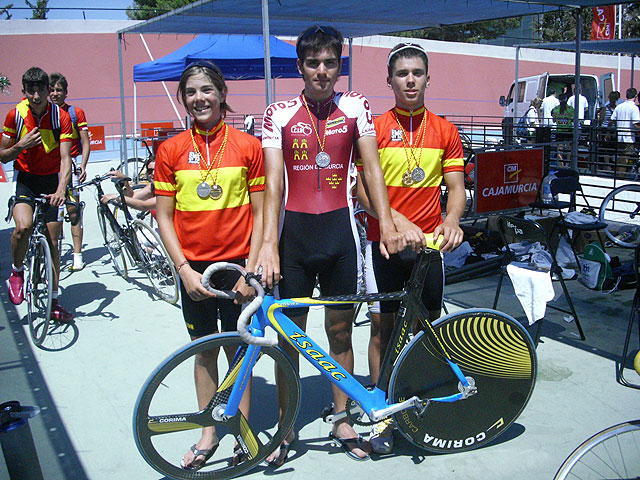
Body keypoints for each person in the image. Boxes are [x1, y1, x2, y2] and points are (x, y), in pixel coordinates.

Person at [258, 25, 403, 464]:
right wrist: (268, 244)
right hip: (295, 239)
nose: (322, 71)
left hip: (341, 236)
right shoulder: (278, 112)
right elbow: (273, 183)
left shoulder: (356, 106)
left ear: (340, 65)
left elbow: (372, 171)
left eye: (330, 63)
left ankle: (341, 417)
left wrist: (388, 222)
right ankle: (286, 427)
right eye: (313, 63)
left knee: (340, 331)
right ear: (300, 66)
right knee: (290, 339)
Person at [154, 61, 265, 470]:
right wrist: (182, 269)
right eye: (191, 92)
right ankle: (208, 433)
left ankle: (243, 431)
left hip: (238, 266)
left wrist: (251, 272)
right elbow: (164, 216)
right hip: (193, 269)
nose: (199, 98)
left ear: (221, 94)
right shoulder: (169, 149)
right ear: (183, 98)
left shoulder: (247, 146)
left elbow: (260, 212)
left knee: (241, 351)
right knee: (204, 352)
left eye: (206, 90)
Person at [357, 42, 465, 455]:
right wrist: (395, 223)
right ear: (389, 80)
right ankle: (382, 413)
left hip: (429, 251)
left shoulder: (445, 129)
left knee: (426, 330)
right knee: (382, 328)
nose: (410, 80)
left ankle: (418, 406)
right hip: (384, 245)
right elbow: (361, 191)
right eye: (402, 73)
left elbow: (456, 190)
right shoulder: (376, 128)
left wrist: (451, 220)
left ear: (427, 78)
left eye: (417, 72)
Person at [0, 67, 74, 322]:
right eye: (30, 91)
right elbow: (2, 154)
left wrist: (61, 189)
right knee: (24, 227)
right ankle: (17, 271)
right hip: (26, 180)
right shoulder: (15, 115)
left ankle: (54, 301)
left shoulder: (61, 117)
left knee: (54, 243)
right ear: (24, 92)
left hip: (52, 181)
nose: (36, 96)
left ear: (47, 91)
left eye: (40, 90)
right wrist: (20, 146)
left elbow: (65, 158)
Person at [49, 72, 91, 271]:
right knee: (51, 213)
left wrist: (82, 165)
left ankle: (77, 255)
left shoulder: (75, 113)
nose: (55, 93)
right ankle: (52, 253)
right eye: (52, 90)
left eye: (59, 90)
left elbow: (85, 142)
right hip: (50, 168)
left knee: (73, 211)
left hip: (71, 167)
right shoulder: (43, 113)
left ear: (66, 92)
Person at [610, 87, 640, 173]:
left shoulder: (619, 106)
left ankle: (619, 175)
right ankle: (622, 175)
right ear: (635, 96)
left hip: (620, 137)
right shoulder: (634, 108)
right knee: (627, 157)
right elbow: (636, 124)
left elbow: (612, 120)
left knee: (620, 157)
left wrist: (608, 132)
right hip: (629, 138)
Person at [598, 91, 621, 171]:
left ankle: (610, 163)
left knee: (611, 147)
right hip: (605, 130)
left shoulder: (617, 108)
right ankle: (607, 164)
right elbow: (601, 119)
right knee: (606, 147)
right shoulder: (605, 108)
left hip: (613, 130)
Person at [552, 93, 575, 165]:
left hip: (559, 131)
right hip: (568, 131)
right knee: (569, 149)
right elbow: (573, 120)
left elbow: (554, 121)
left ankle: (561, 165)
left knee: (559, 149)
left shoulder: (555, 109)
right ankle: (568, 164)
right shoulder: (571, 109)